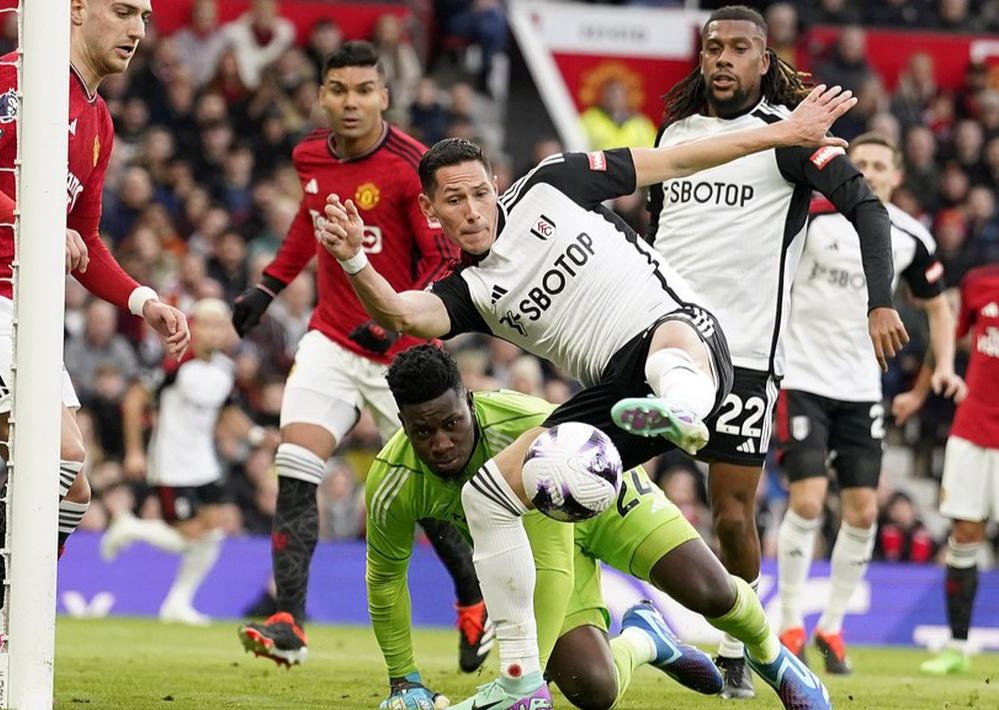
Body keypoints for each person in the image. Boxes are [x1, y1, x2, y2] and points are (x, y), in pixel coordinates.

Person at [317, 82, 855, 708]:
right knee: (486, 496)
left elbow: (673, 161)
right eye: (455, 202)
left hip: (679, 327)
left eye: (480, 193)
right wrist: (357, 262)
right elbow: (406, 314)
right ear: (432, 212)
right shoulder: (469, 289)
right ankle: (519, 679)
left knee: (669, 351)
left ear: (497, 184)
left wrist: (782, 135)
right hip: (608, 401)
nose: (472, 210)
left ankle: (770, 654)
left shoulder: (553, 183)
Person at [0, 0, 189, 695]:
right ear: (75, 11)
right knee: (58, 455)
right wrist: (27, 216)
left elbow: (82, 244)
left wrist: (144, 300)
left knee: (74, 490)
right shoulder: (21, 76)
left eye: (144, 16)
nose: (137, 29)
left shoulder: (99, 122)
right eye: (122, 11)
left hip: (17, 306)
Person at [646, 6, 907, 695]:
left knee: (730, 512)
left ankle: (741, 635)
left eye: (739, 48)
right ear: (700, 59)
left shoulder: (791, 138)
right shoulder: (674, 132)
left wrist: (880, 299)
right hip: (657, 341)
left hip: (745, 359)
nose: (723, 59)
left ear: (764, 62)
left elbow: (868, 210)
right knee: (593, 477)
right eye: (712, 48)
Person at [367, 345, 828, 710]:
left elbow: (551, 568)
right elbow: (385, 580)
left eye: (451, 423)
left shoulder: (527, 426)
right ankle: (647, 640)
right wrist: (404, 679)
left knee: (710, 591)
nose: (441, 443)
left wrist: (520, 681)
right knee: (594, 691)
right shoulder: (393, 480)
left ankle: (775, 659)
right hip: (537, 542)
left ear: (470, 402)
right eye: (422, 433)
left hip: (610, 505)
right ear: (402, 426)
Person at [231, 42, 488, 671]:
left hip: (404, 352)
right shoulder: (309, 154)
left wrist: (397, 317)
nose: (352, 102)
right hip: (331, 338)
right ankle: (289, 618)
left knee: (434, 492)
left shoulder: (408, 167)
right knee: (295, 462)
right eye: (339, 89)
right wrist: (269, 285)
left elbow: (442, 258)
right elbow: (308, 219)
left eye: (364, 90)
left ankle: (473, 602)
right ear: (322, 95)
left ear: (385, 96)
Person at [775, 132, 967, 673]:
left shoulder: (909, 236)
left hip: (862, 392)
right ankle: (790, 622)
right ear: (845, 168)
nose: (872, 172)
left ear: (897, 175)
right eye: (862, 164)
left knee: (863, 511)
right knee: (808, 502)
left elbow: (939, 311)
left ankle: (831, 629)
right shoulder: (808, 217)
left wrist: (935, 376)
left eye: (881, 165)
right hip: (803, 380)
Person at [100, 298, 238, 625]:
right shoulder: (175, 364)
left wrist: (259, 436)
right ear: (195, 325)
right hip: (172, 463)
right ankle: (130, 527)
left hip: (205, 463)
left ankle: (178, 603)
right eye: (209, 324)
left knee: (215, 532)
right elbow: (134, 401)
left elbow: (229, 414)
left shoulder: (225, 370)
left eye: (222, 325)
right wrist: (135, 451)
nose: (216, 333)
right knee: (190, 536)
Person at [917, 264, 999, 675]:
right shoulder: (979, 282)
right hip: (971, 430)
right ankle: (957, 646)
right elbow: (951, 334)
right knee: (965, 534)